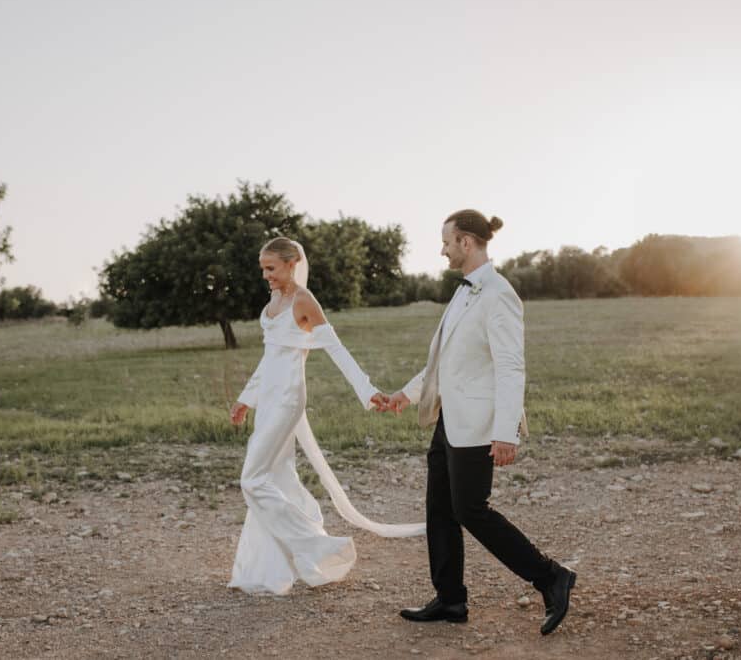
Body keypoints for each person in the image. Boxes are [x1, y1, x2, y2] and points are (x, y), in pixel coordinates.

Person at [388, 210, 575, 635]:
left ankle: (550, 577)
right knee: (440, 508)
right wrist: (406, 393)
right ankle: (451, 599)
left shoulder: (498, 294)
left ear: (466, 242)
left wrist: (505, 432)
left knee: (471, 509)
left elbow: (510, 367)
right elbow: (447, 362)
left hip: (478, 423)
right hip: (448, 419)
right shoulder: (464, 292)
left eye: (446, 241)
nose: (442, 249)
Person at [228, 237, 425, 596]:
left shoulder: (304, 301)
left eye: (271, 268)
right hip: (269, 396)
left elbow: (336, 349)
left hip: (288, 397)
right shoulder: (274, 300)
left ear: (293, 263)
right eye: (263, 269)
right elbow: (270, 356)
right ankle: (271, 567)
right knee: (277, 476)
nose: (266, 276)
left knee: (252, 479)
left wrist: (368, 391)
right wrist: (246, 398)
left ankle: (320, 547)